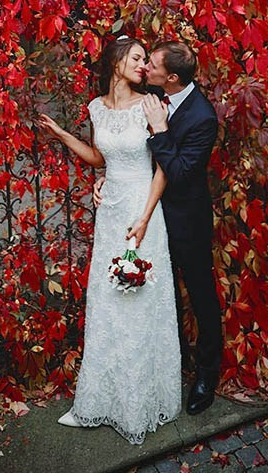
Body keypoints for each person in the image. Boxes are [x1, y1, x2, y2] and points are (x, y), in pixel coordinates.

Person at [37, 36, 182, 444]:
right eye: (136, 58)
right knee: (109, 300)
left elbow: (163, 166)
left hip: (143, 210)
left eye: (144, 60)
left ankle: (143, 401)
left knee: (142, 299)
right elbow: (102, 158)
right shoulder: (97, 108)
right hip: (111, 209)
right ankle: (99, 402)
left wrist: (146, 217)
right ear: (117, 61)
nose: (142, 66)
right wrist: (63, 135)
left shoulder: (151, 106)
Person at [140, 39, 222, 414]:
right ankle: (173, 364)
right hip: (149, 214)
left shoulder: (202, 117)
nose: (146, 69)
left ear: (171, 77)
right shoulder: (149, 91)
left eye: (153, 66)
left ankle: (206, 373)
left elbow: (181, 175)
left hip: (187, 220)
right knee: (162, 293)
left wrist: (160, 130)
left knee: (201, 295)